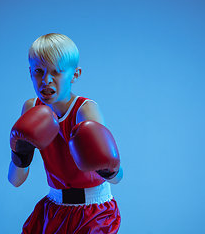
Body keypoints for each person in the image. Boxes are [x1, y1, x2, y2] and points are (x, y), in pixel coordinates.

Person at [8, 33, 123, 234]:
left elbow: (117, 177)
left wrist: (107, 167)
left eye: (57, 72)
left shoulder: (85, 110)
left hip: (94, 211)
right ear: (30, 72)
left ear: (75, 75)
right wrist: (21, 154)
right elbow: (15, 180)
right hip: (54, 208)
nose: (46, 80)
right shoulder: (30, 108)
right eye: (38, 71)